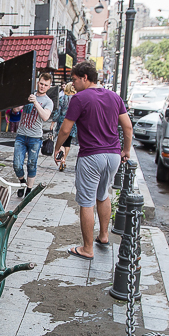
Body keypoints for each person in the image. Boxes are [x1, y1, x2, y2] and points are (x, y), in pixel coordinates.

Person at [53, 61, 132, 260]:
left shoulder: (79, 98)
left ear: (85, 78)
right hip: (113, 155)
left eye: (75, 80)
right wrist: (126, 150)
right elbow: (127, 127)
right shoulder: (114, 96)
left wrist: (57, 148)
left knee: (86, 202)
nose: (74, 84)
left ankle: (87, 249)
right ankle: (104, 236)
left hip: (91, 155)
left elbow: (65, 129)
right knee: (103, 194)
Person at [13, 72, 54, 197]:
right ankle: (22, 182)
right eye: (41, 83)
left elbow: (45, 117)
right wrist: (24, 100)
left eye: (45, 85)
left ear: (49, 86)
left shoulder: (48, 101)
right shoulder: (29, 95)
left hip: (35, 137)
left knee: (31, 163)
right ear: (38, 82)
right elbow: (15, 110)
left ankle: (28, 191)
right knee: (16, 164)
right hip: (21, 134)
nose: (42, 87)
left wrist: (36, 102)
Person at [51, 82, 77, 171]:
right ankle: (64, 159)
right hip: (73, 123)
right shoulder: (76, 99)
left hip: (62, 121)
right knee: (68, 142)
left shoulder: (62, 98)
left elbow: (57, 112)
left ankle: (60, 157)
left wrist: (53, 122)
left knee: (61, 141)